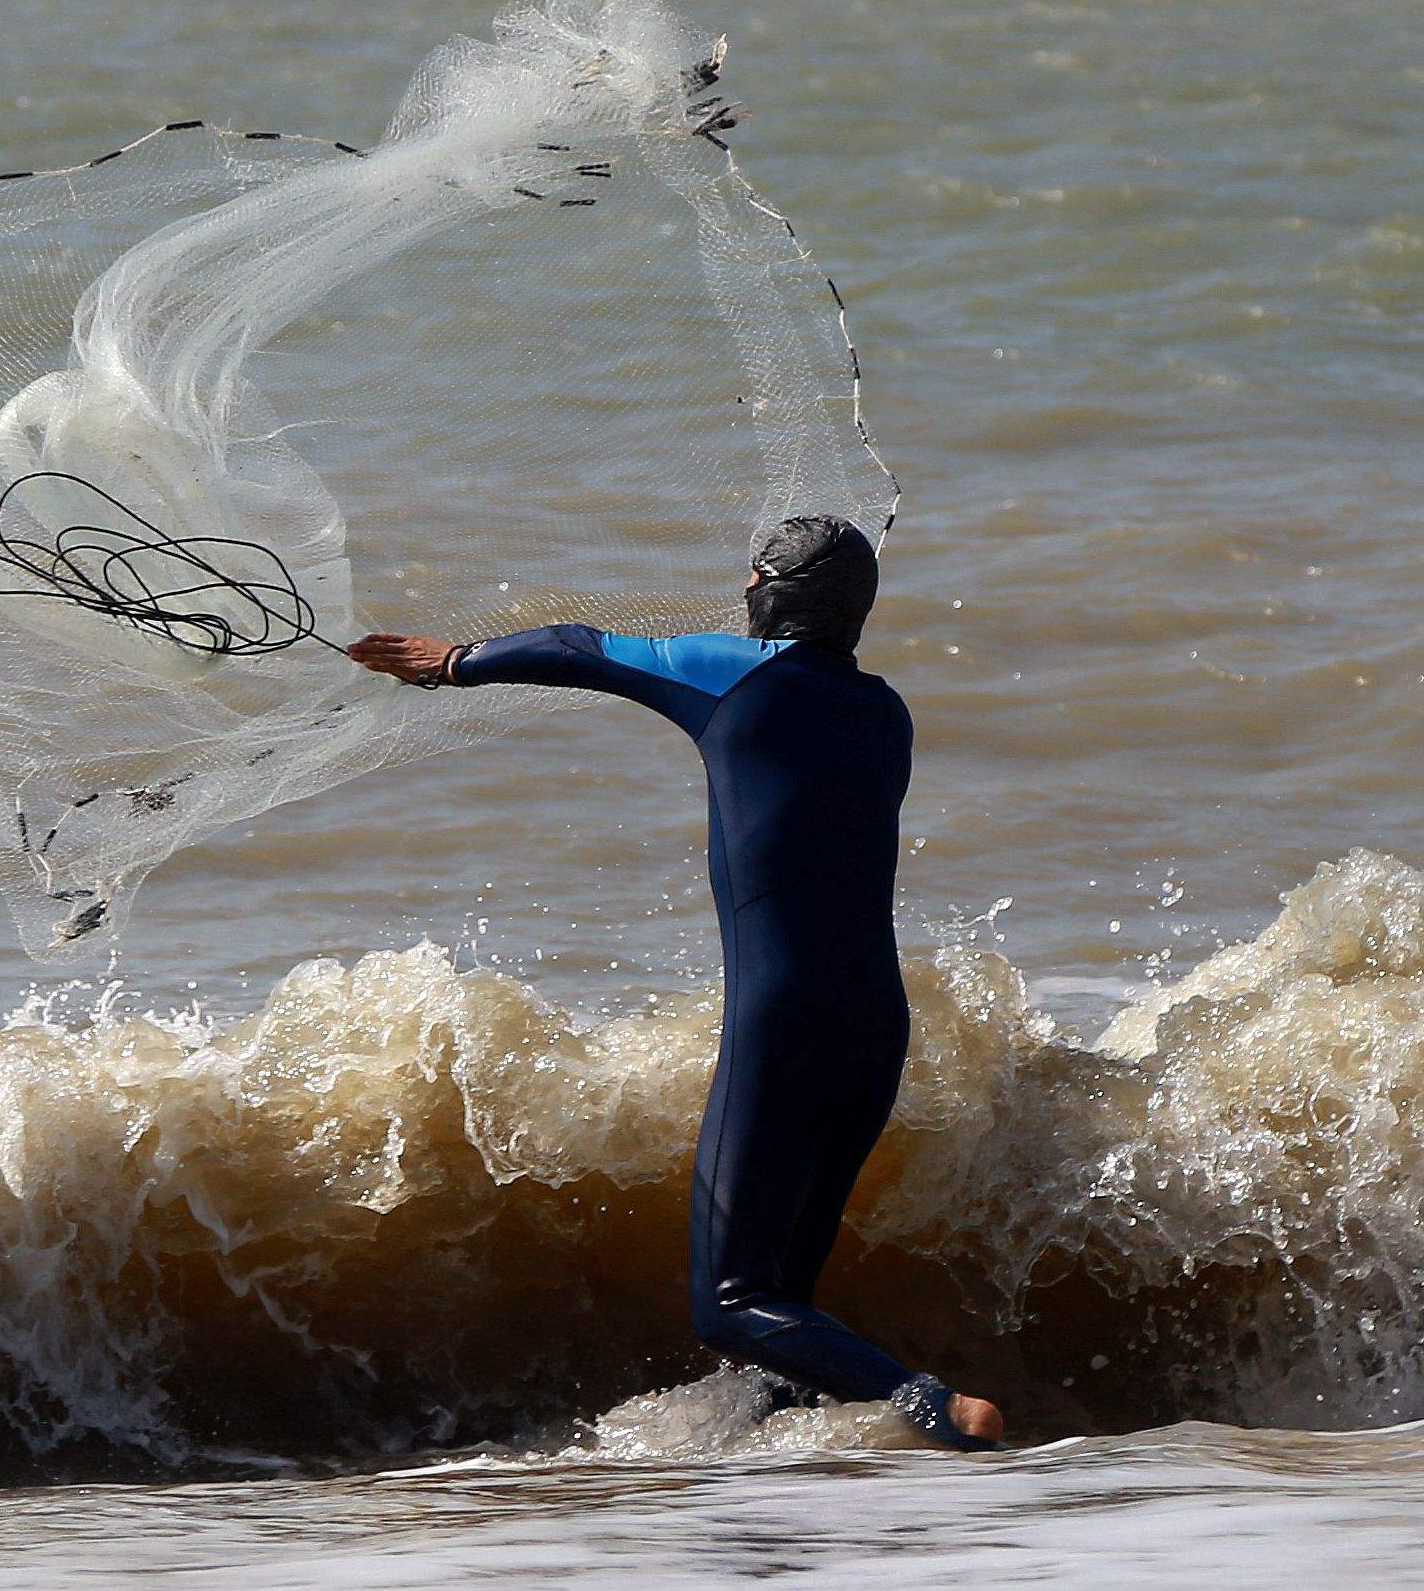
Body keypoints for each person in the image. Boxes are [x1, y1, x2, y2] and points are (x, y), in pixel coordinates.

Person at [347, 515, 1005, 1450]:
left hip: (784, 1019)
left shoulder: (734, 673)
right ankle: (778, 1483)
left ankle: (937, 1409)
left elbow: (579, 647)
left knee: (733, 1304)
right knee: (783, 1304)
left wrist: (453, 661)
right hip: (873, 1025)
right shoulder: (883, 711)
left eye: (753, 578)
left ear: (770, 592)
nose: (742, 589)